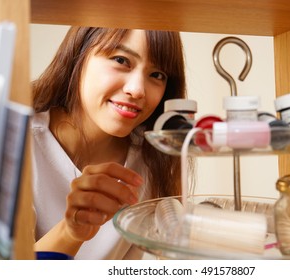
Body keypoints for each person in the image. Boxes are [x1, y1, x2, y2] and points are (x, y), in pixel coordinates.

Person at [31, 27, 187, 259]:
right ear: (79, 54)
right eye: (121, 60)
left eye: (157, 75)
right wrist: (71, 231)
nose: (137, 90)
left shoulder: (154, 158)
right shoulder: (13, 141)